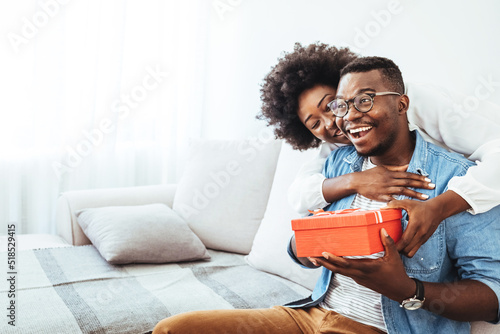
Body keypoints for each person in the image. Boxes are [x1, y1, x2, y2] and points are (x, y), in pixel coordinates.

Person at [153, 56, 500, 334]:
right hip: (312, 315)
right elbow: (300, 233)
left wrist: (407, 289)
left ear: (402, 104)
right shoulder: (338, 162)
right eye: (342, 107)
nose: (345, 119)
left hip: (384, 328)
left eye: (364, 101)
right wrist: (311, 248)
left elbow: (492, 296)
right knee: (174, 328)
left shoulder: (461, 181)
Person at [258, 42, 500, 257]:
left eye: (331, 106)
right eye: (314, 123)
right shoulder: (338, 143)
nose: (330, 123)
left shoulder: (417, 101)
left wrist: (436, 209)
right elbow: (299, 194)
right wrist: (355, 181)